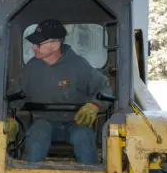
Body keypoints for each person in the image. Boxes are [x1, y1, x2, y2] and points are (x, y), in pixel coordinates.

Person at [8, 19, 112, 164]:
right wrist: (8, 117)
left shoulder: (79, 65)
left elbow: (104, 88)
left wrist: (95, 105)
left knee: (84, 137)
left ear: (56, 45)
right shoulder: (31, 68)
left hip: (75, 122)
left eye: (38, 44)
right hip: (43, 122)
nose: (33, 48)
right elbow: (13, 95)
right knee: (36, 136)